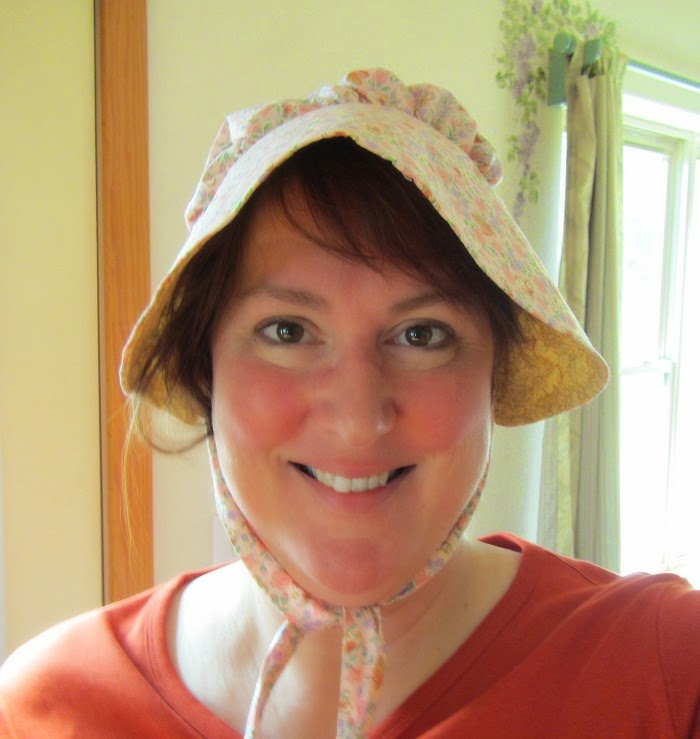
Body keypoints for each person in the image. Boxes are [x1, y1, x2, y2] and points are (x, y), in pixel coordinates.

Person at [0, 68, 697, 738]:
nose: (359, 419)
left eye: (422, 335)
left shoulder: (664, 669)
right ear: (203, 365)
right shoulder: (44, 706)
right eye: (287, 331)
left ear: (495, 370)